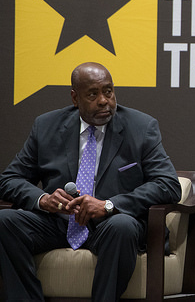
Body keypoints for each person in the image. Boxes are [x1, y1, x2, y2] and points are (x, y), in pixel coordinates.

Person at [0, 62, 182, 301]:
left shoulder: (141, 127)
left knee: (123, 227)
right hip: (59, 222)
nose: (104, 101)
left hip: (110, 223)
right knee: (5, 221)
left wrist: (108, 205)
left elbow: (168, 184)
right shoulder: (46, 126)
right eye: (93, 94)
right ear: (75, 98)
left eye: (108, 91)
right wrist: (42, 199)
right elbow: (9, 179)